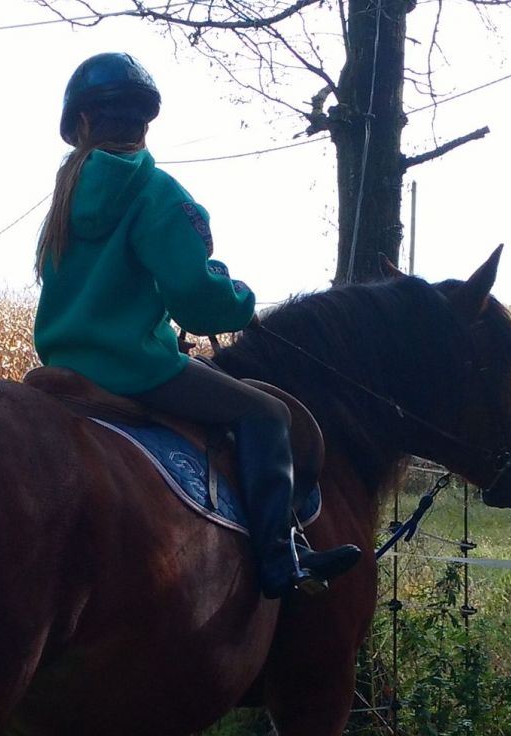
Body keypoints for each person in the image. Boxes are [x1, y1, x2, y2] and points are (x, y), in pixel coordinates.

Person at [33, 52, 361, 598]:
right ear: (145, 122)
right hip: (136, 369)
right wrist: (240, 301)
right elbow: (197, 303)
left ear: (81, 123)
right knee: (266, 414)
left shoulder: (64, 199)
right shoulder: (157, 194)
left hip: (63, 367)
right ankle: (281, 562)